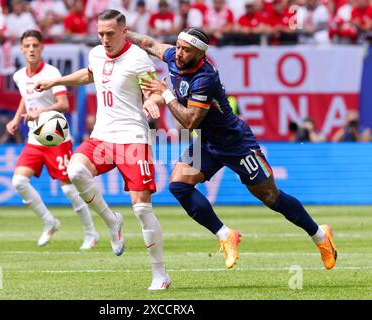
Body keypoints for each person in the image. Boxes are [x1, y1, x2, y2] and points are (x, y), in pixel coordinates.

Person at [127, 27, 338, 270]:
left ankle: (320, 236)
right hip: (208, 142)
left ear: (200, 54)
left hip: (235, 143)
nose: (179, 53)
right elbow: (150, 43)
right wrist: (125, 34)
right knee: (179, 185)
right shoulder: (174, 56)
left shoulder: (204, 78)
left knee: (271, 197)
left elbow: (189, 121)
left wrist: (165, 93)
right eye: (178, 46)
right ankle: (226, 235)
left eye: (186, 50)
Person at [34, 10, 171, 290]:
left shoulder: (137, 58)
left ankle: (160, 274)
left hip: (132, 137)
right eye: (101, 33)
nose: (105, 39)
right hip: (102, 135)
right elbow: (88, 75)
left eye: (110, 33)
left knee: (143, 208)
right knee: (75, 171)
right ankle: (111, 221)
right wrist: (55, 81)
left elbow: (154, 90)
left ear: (124, 31)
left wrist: (152, 101)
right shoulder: (96, 53)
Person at [7, 29, 99, 249]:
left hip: (56, 136)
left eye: (35, 46)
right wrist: (15, 118)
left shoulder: (51, 72)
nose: (31, 49)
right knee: (18, 181)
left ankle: (91, 233)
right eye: (27, 46)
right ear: (21, 49)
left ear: (42, 48)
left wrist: (41, 112)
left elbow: (64, 105)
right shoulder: (19, 75)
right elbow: (25, 97)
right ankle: (49, 222)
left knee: (68, 188)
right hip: (34, 136)